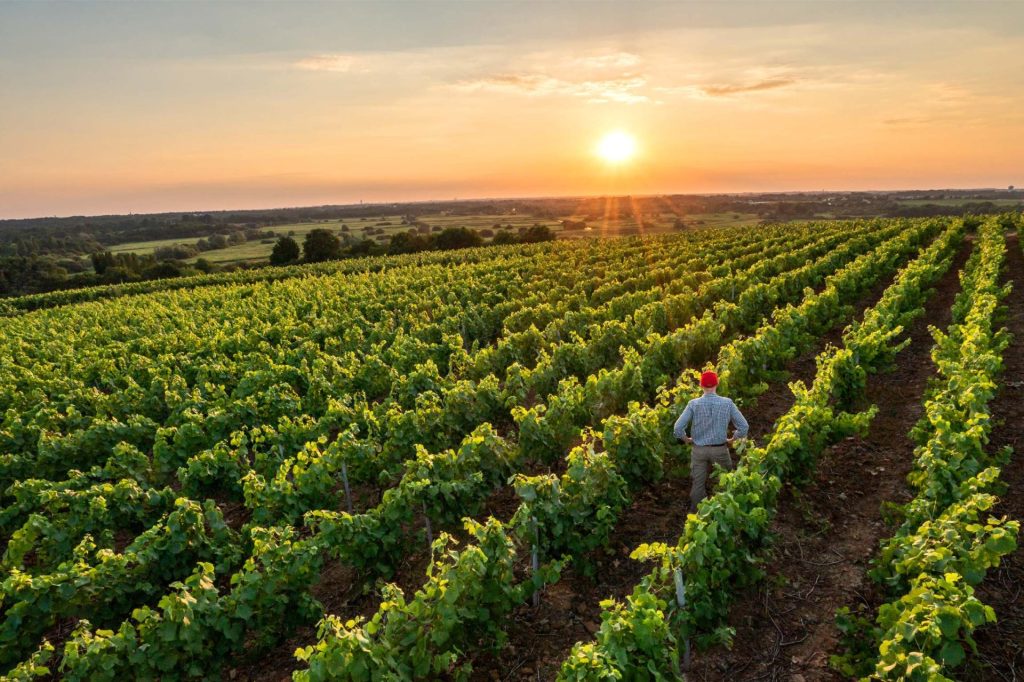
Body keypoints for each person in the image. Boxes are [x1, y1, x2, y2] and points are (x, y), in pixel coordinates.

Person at [673, 370, 749, 512]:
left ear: (701, 385)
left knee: (698, 484)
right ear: (717, 384)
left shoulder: (693, 404)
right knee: (726, 480)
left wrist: (686, 439)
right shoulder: (727, 403)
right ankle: (722, 511)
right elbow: (744, 426)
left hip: (698, 450)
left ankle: (696, 515)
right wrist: (733, 439)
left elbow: (678, 427)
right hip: (720, 449)